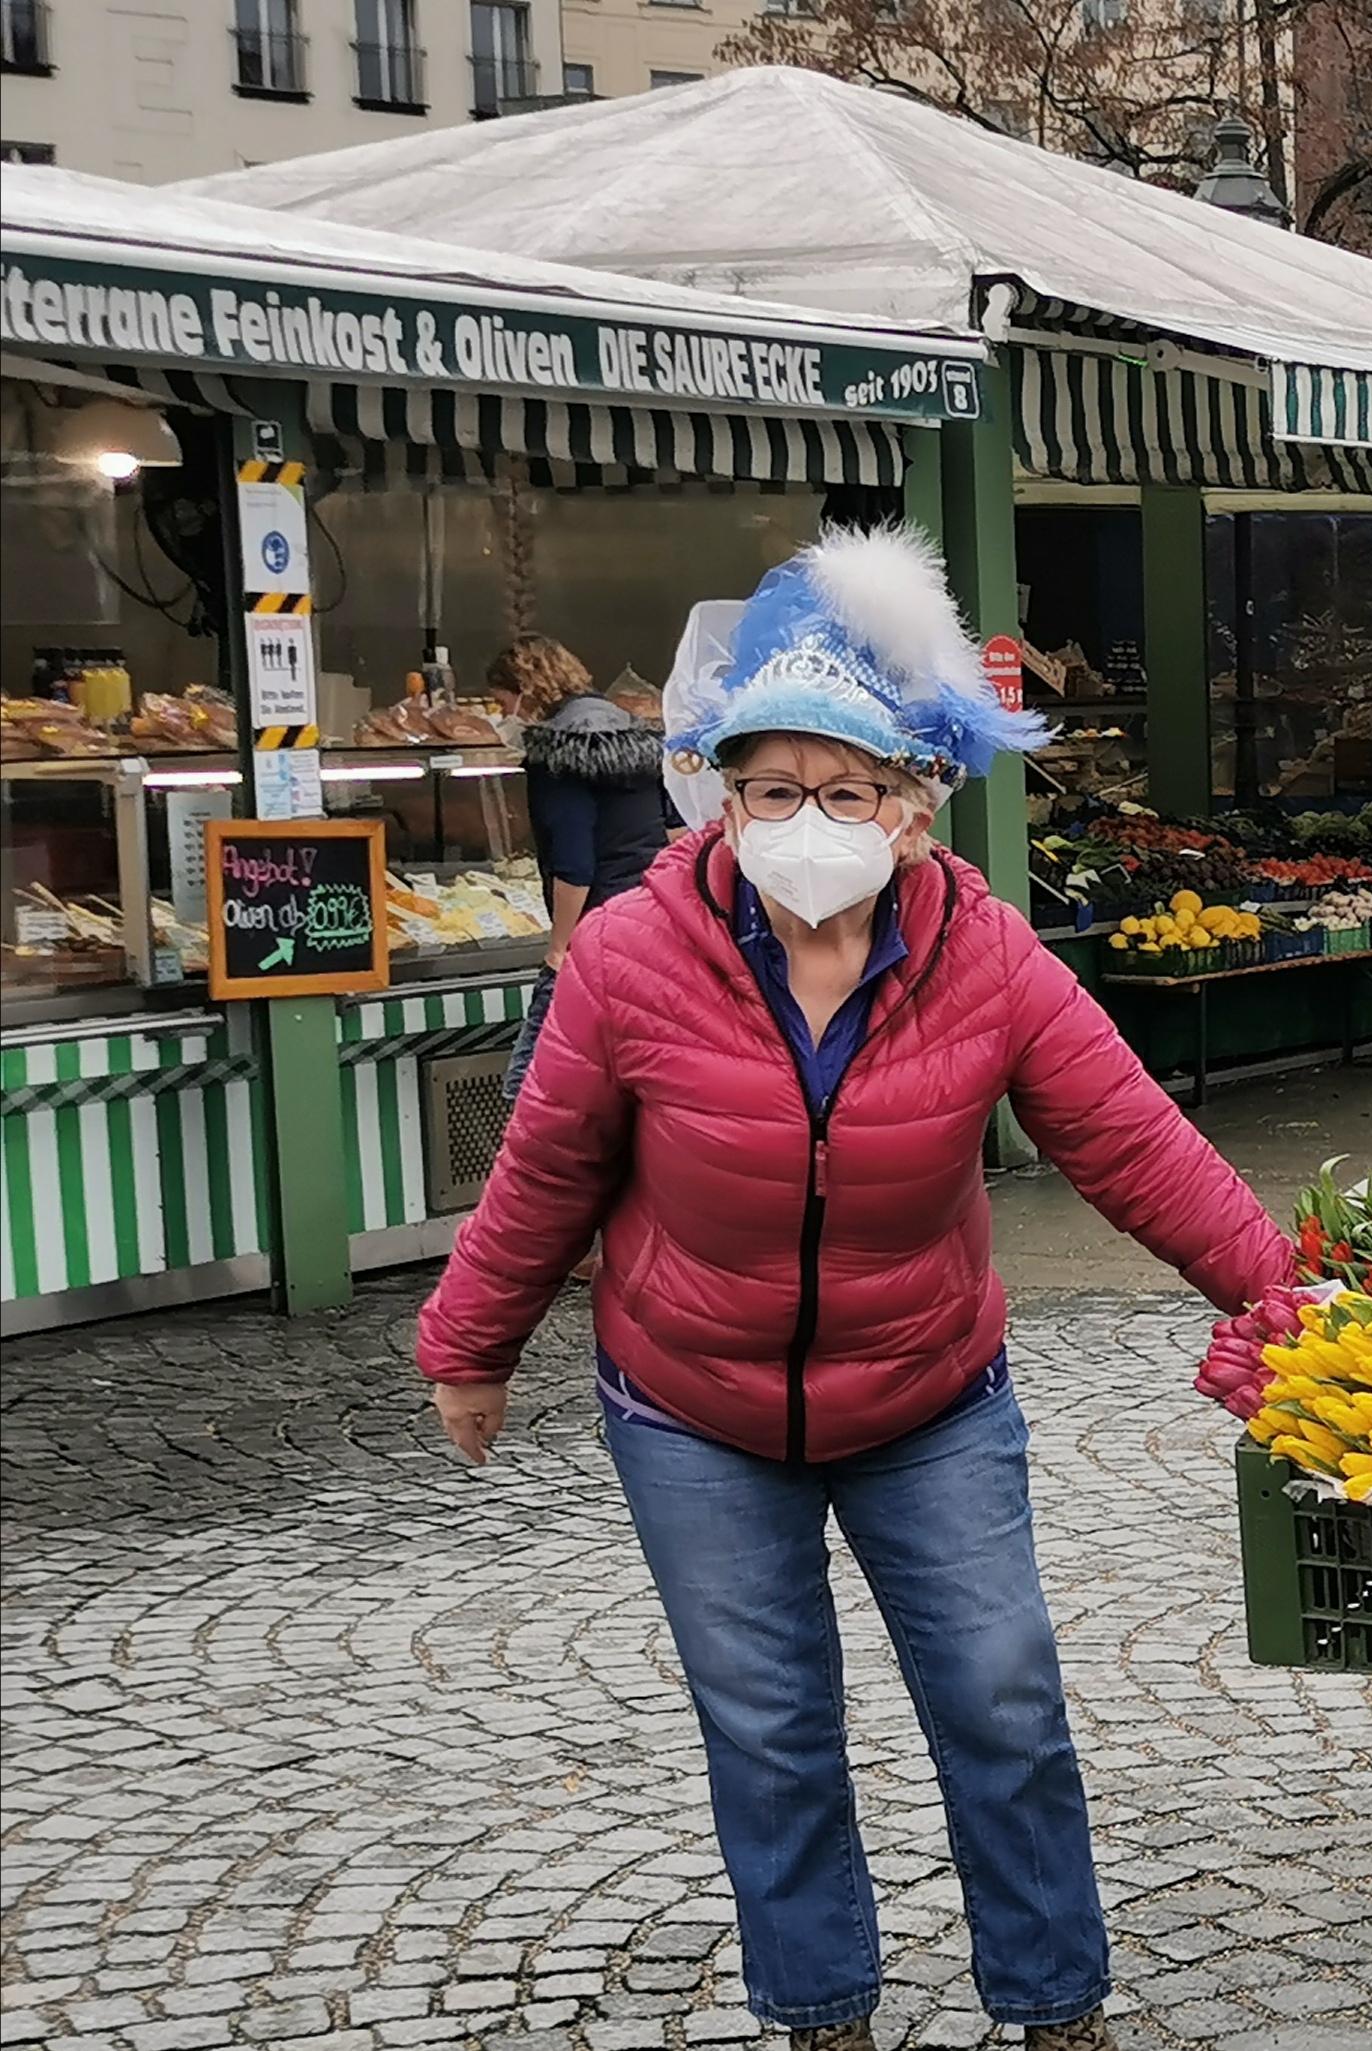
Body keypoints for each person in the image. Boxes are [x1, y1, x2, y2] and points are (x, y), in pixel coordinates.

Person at [415, 529, 1294, 2051]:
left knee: (1004, 1697)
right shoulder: (631, 953)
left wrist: (1287, 1302)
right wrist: (471, 1343)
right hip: (691, 1400)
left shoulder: (989, 956)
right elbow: (546, 1166)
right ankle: (818, 2003)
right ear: (720, 791)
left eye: (845, 789)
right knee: (767, 1724)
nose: (807, 819)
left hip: (927, 1392)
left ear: (913, 803)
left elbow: (1138, 1145)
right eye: (772, 788)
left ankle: (1052, 1997)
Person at [494, 635, 669, 1103]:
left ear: (526, 690)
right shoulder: (642, 737)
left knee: (531, 1086)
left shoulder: (557, 752)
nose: (504, 715)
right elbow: (674, 831)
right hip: (652, 925)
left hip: (593, 935)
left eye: (502, 702)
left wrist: (558, 948)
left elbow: (574, 863)